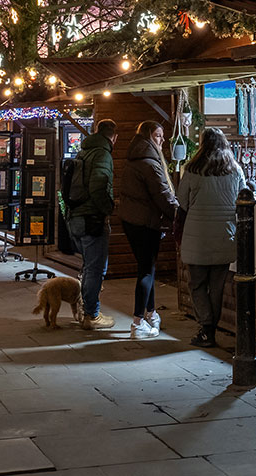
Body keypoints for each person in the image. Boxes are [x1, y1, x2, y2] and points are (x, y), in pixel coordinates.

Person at [176, 128, 248, 348]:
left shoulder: (193, 169)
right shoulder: (235, 170)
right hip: (224, 236)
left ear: (202, 144)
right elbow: (244, 197)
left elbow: (182, 202)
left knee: (197, 284)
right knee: (217, 287)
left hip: (197, 239)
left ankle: (206, 327)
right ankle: (210, 330)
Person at [120, 120, 178, 339]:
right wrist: (178, 216)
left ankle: (151, 314)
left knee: (147, 269)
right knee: (146, 270)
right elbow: (163, 194)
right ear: (147, 136)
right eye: (157, 136)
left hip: (132, 221)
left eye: (162, 136)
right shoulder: (150, 163)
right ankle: (137, 322)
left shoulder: (134, 158)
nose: (162, 140)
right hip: (146, 223)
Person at [68, 119, 118, 330]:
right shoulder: (102, 154)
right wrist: (109, 208)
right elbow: (99, 186)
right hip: (92, 218)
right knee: (95, 269)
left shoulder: (83, 152)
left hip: (76, 217)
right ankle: (91, 315)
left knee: (88, 266)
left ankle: (85, 310)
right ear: (114, 136)